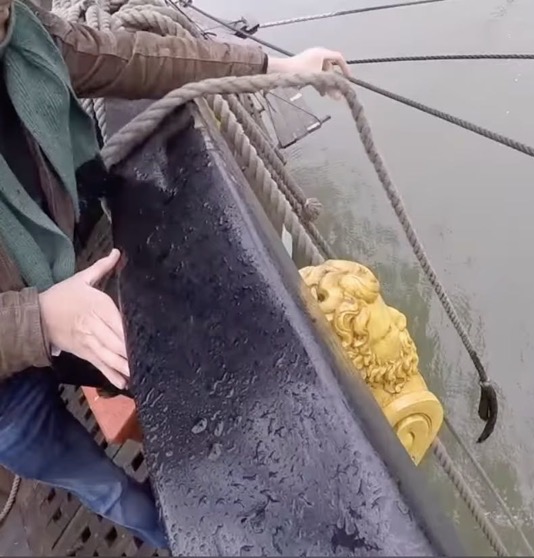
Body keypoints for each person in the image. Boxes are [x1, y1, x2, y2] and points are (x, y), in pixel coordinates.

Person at [0, 0, 350, 548]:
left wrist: (274, 68)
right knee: (104, 487)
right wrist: (36, 318)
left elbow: (127, 57)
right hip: (8, 388)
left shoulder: (21, 35)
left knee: (181, 377)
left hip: (60, 278)